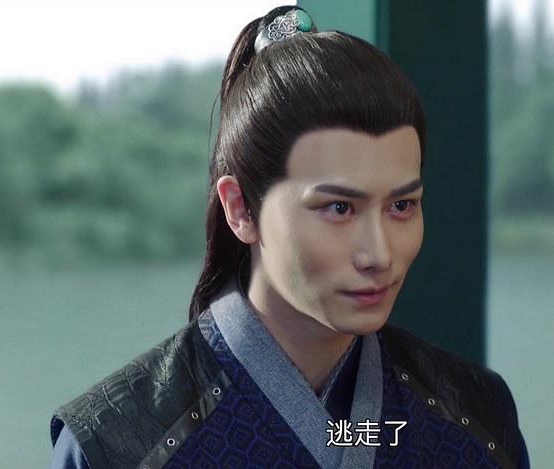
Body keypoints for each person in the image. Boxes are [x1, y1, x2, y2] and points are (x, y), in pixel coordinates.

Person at [49, 5, 529, 469]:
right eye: (339, 208)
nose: (379, 254)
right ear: (241, 208)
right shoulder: (116, 445)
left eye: (401, 206)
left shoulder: (477, 416)